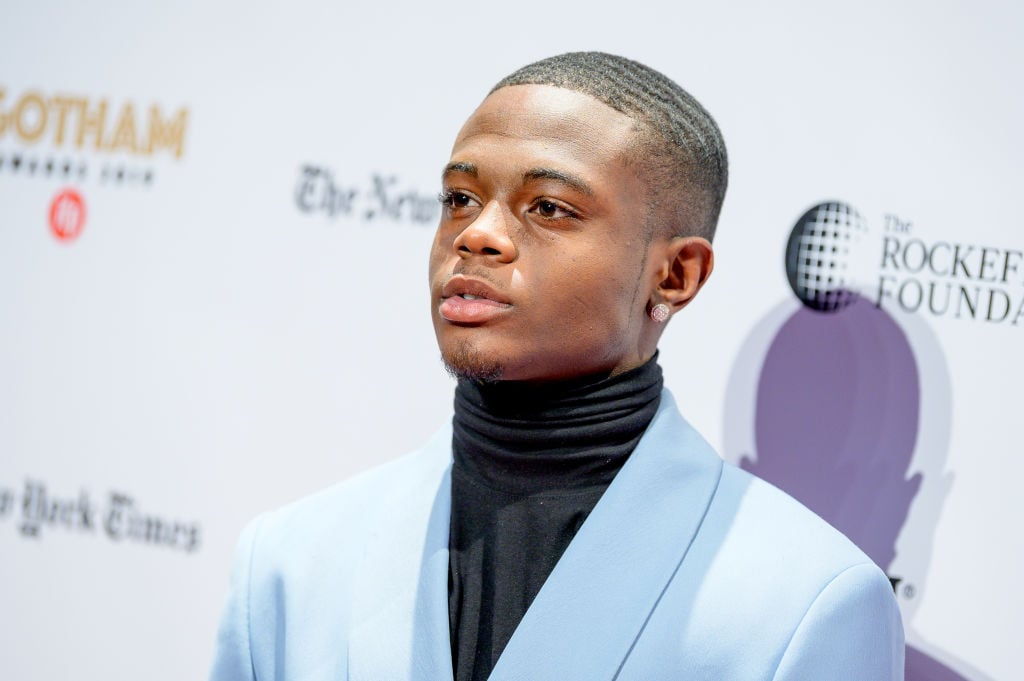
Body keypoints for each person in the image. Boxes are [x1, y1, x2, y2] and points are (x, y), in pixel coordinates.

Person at [209, 52, 904, 681]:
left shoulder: (806, 603)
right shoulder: (289, 562)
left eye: (549, 207)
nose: (477, 234)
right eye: (460, 198)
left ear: (676, 274)